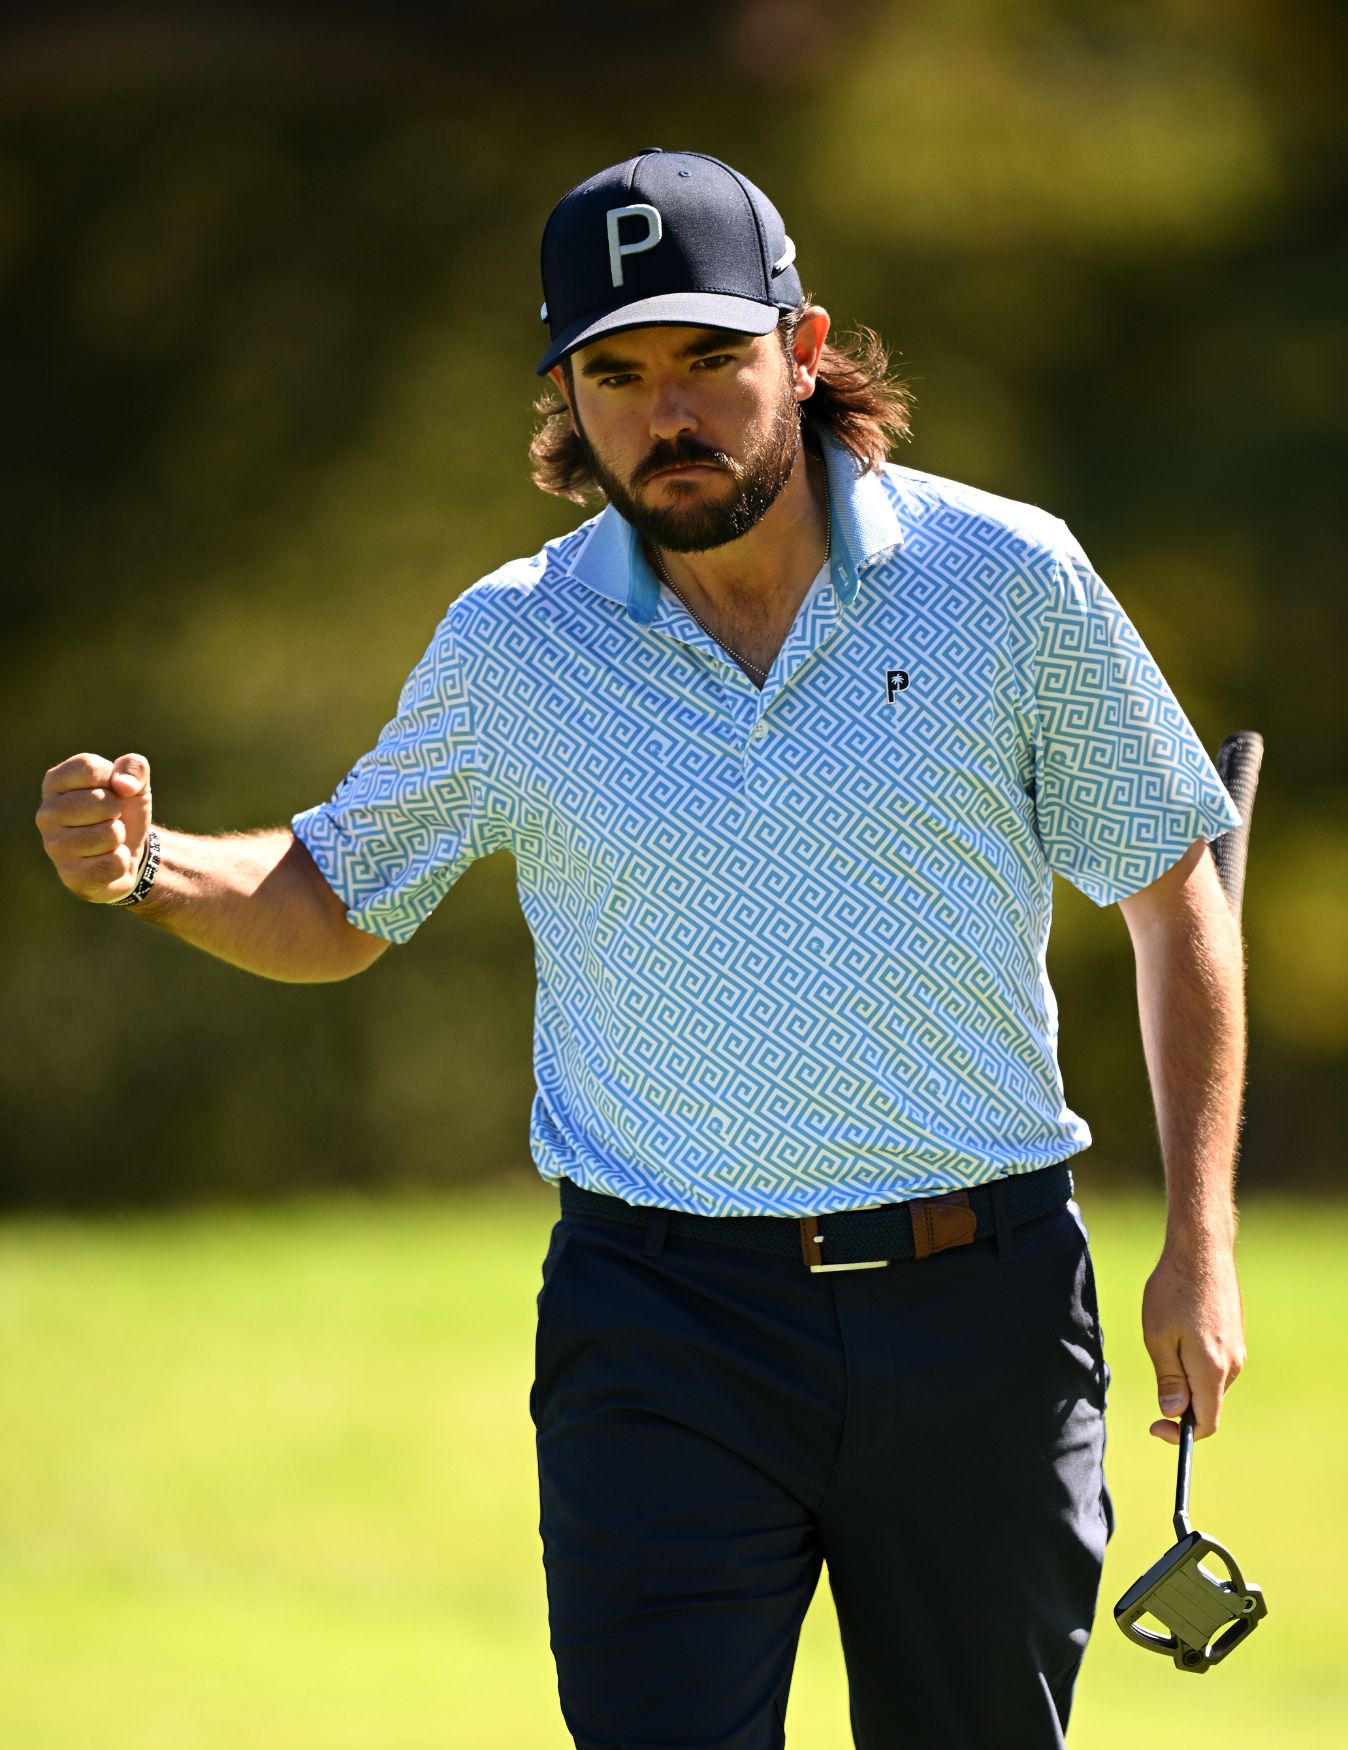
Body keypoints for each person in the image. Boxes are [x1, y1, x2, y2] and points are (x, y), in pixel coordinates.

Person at [35, 148, 1247, 1748]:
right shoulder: (513, 641)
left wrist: (1202, 1237)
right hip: (661, 1323)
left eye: (708, 361)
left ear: (802, 353)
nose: (665, 413)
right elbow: (337, 893)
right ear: (566, 395)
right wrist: (150, 867)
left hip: (983, 1313)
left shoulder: (1007, 582)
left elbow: (1175, 897)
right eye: (615, 373)